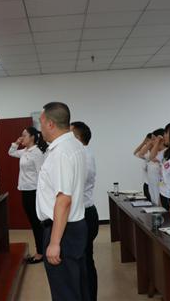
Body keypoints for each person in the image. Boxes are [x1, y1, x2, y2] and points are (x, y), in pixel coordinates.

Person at [36, 102, 89, 301]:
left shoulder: (61, 152)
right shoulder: (74, 144)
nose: (40, 128)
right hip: (73, 226)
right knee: (76, 287)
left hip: (62, 230)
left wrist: (54, 242)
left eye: (41, 123)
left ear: (50, 124)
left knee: (65, 292)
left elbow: (64, 199)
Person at [8, 126, 47, 264]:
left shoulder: (36, 153)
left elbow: (41, 174)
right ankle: (42, 251)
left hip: (34, 192)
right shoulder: (25, 151)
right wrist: (16, 142)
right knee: (34, 223)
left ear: (32, 137)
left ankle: (41, 253)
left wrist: (42, 195)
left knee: (37, 223)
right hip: (25, 191)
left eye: (24, 135)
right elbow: (11, 152)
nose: (22, 137)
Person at [71, 121, 98, 301]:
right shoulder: (82, 155)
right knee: (84, 260)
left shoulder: (83, 157)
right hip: (83, 213)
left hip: (84, 214)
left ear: (78, 138)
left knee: (86, 261)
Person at [136, 128, 165, 205]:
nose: (152, 142)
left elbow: (162, 179)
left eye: (153, 139)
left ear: (161, 139)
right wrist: (149, 143)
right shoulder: (155, 153)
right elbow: (140, 154)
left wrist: (157, 141)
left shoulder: (165, 153)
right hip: (151, 187)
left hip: (160, 187)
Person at [134, 133, 153, 201]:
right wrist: (143, 143)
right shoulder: (147, 154)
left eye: (148, 141)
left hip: (155, 186)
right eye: (146, 141)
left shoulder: (156, 154)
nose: (147, 143)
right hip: (146, 184)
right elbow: (136, 153)